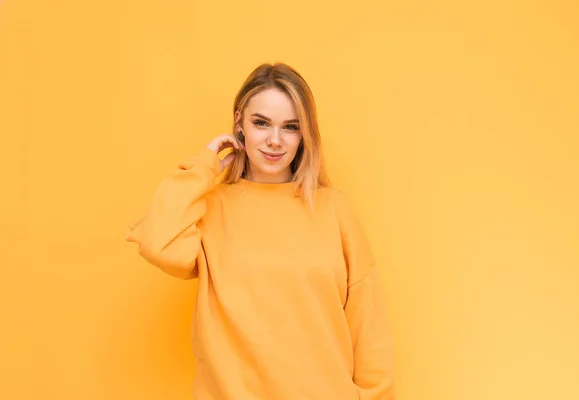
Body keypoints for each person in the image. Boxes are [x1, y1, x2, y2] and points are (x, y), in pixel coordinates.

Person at [126, 62, 395, 399]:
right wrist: (204, 167)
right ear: (239, 122)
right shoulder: (211, 208)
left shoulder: (334, 208)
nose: (274, 140)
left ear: (305, 133)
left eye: (291, 127)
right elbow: (157, 243)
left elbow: (368, 326)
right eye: (261, 123)